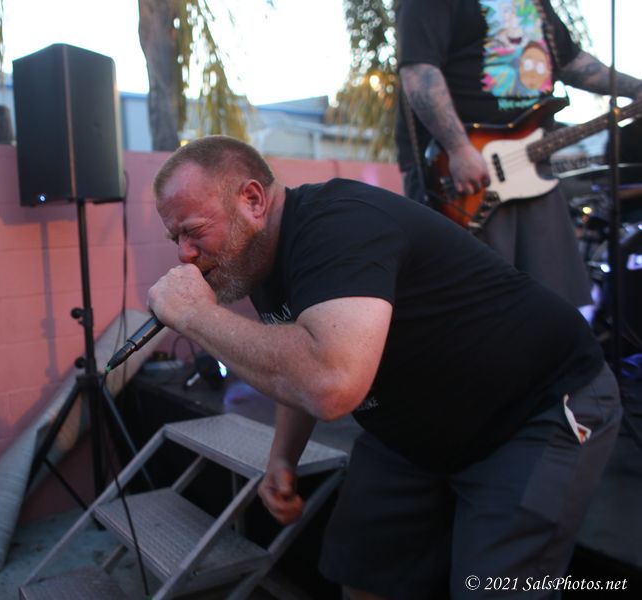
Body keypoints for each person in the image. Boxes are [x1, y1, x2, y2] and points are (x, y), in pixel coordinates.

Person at [147, 135, 622, 599]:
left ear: (252, 199)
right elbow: (294, 354)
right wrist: (283, 457)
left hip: (532, 409)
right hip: (420, 425)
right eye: (176, 238)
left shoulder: (339, 226)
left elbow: (331, 382)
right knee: (362, 567)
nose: (184, 253)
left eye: (193, 230)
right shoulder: (257, 257)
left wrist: (195, 316)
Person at [395, 0, 642, 310]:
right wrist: (458, 147)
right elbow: (419, 70)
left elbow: (571, 62)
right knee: (477, 303)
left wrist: (635, 88)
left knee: (553, 302)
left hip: (532, 166)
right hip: (462, 170)